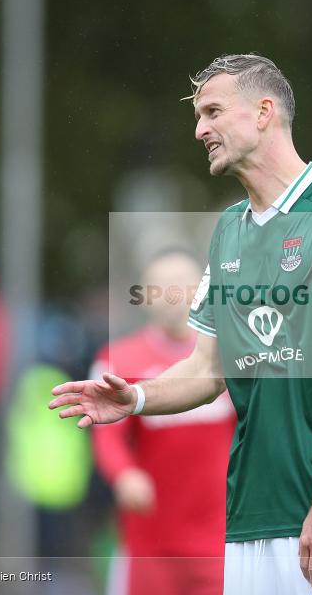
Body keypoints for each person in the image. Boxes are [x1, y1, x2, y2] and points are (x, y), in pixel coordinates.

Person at [51, 53, 312, 595]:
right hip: (249, 522)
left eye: (212, 112)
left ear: (263, 112)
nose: (200, 129)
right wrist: (136, 399)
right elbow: (208, 368)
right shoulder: (228, 232)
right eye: (198, 116)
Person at [91, 248, 234, 595]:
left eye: (183, 285)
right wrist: (124, 474)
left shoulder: (230, 356)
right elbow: (107, 436)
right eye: (160, 287)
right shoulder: (117, 358)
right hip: (149, 543)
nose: (173, 297)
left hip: (220, 539)